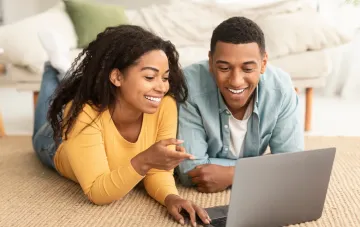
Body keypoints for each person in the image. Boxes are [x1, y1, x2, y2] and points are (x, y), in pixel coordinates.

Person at [32, 25, 211, 227]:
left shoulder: (164, 105)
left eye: (165, 77)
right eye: (150, 77)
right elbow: (97, 192)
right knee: (51, 108)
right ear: (117, 77)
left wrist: (171, 197)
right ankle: (53, 66)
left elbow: (157, 171)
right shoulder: (83, 113)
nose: (162, 87)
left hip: (91, 120)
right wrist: (146, 159)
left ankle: (64, 73)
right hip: (54, 144)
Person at [176, 17, 304, 192]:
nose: (236, 81)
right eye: (224, 68)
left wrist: (233, 174)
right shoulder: (189, 85)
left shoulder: (281, 89)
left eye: (248, 69)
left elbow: (292, 165)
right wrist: (267, 169)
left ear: (263, 63)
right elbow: (190, 170)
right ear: (211, 62)